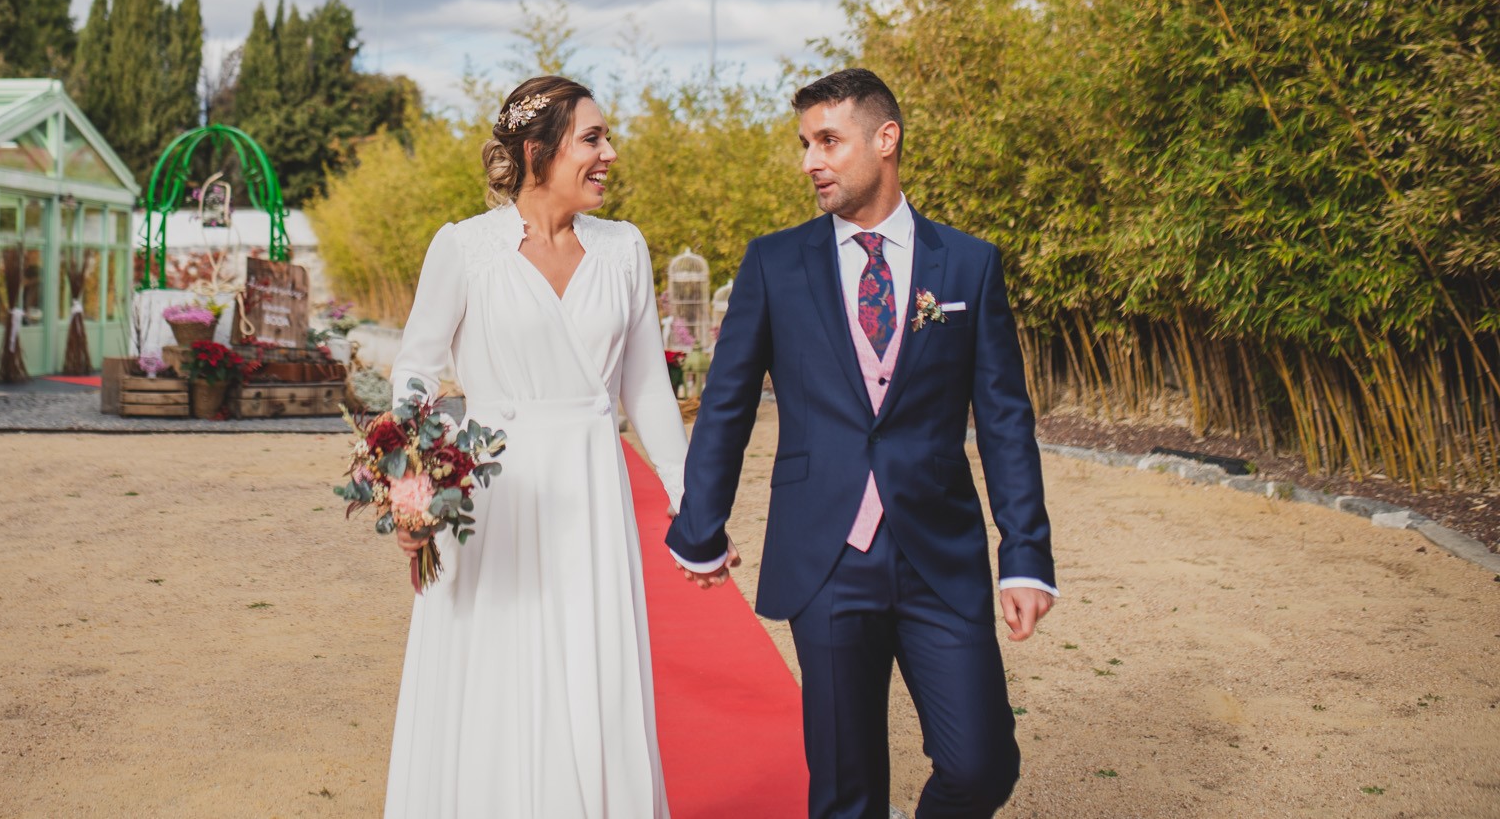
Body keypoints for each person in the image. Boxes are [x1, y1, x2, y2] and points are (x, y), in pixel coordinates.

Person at [666, 68, 1058, 819]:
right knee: (846, 792)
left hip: (939, 552)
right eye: (805, 143)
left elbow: (1005, 415)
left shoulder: (968, 264)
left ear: (886, 139)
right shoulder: (774, 263)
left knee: (981, 764)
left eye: (828, 141)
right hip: (827, 556)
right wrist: (700, 527)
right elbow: (727, 403)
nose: (809, 160)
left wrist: (1026, 554)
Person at [382, 75, 689, 819]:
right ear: (536, 151)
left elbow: (647, 389)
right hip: (493, 495)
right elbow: (416, 371)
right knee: (496, 672)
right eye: (593, 138)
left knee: (593, 672)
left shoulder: (625, 249)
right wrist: (410, 482)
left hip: (591, 488)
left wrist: (693, 503)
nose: (609, 152)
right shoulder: (463, 247)